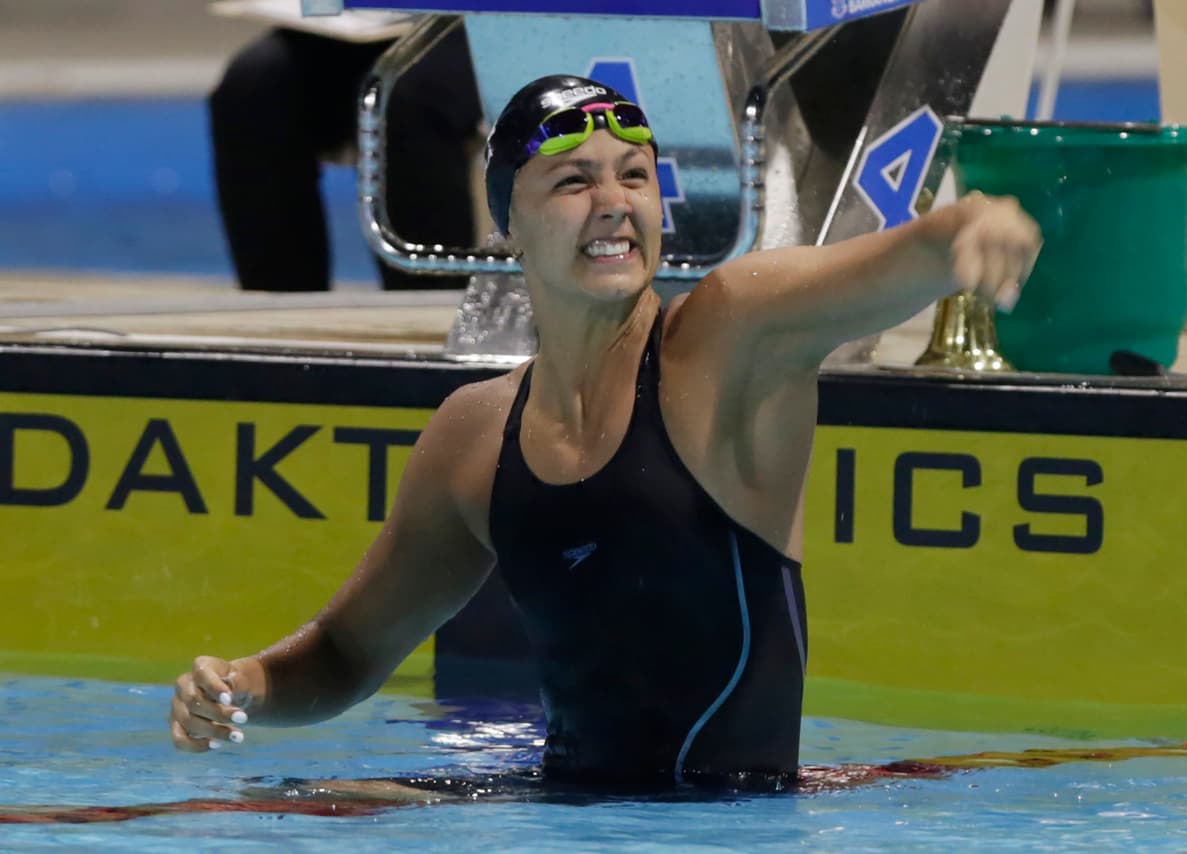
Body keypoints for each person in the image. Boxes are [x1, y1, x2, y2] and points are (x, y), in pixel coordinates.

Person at [171, 75, 1041, 787]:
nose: (614, 203)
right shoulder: (474, 436)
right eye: (574, 180)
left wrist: (957, 231)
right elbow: (348, 651)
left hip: (736, 826)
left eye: (634, 174)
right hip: (565, 815)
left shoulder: (725, 347)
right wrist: (243, 686)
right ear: (508, 221)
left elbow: (870, 271)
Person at [209, 23, 481, 291]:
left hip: (479, 23)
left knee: (402, 99)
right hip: (351, 24)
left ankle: (429, 302)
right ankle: (282, 306)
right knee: (251, 86)